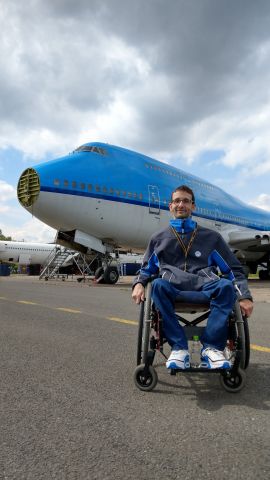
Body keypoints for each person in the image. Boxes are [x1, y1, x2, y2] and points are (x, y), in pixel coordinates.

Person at [132, 185, 253, 370]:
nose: (181, 204)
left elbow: (233, 270)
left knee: (225, 286)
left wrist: (244, 296)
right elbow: (147, 269)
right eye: (177, 201)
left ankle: (212, 348)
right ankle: (179, 348)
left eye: (186, 201)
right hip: (173, 290)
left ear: (193, 207)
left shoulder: (211, 238)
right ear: (170, 206)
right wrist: (139, 283)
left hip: (205, 288)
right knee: (157, 285)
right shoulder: (158, 239)